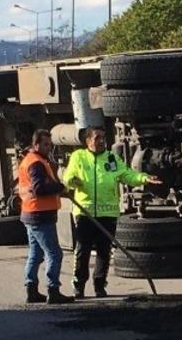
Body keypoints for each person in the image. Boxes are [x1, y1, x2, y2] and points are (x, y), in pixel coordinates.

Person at [61, 127, 161, 298]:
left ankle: (100, 285)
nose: (101, 140)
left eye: (103, 137)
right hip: (85, 212)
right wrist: (72, 181)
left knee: (103, 251)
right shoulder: (79, 156)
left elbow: (126, 175)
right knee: (82, 250)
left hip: (108, 212)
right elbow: (68, 177)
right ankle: (79, 284)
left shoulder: (111, 158)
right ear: (88, 141)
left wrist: (144, 178)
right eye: (97, 137)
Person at [17, 129, 73, 305]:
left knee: (35, 253)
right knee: (54, 253)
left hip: (31, 213)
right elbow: (40, 188)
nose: (49, 148)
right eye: (46, 144)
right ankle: (53, 289)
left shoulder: (33, 160)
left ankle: (31, 290)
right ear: (36, 145)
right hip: (39, 214)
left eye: (50, 144)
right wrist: (60, 188)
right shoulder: (36, 163)